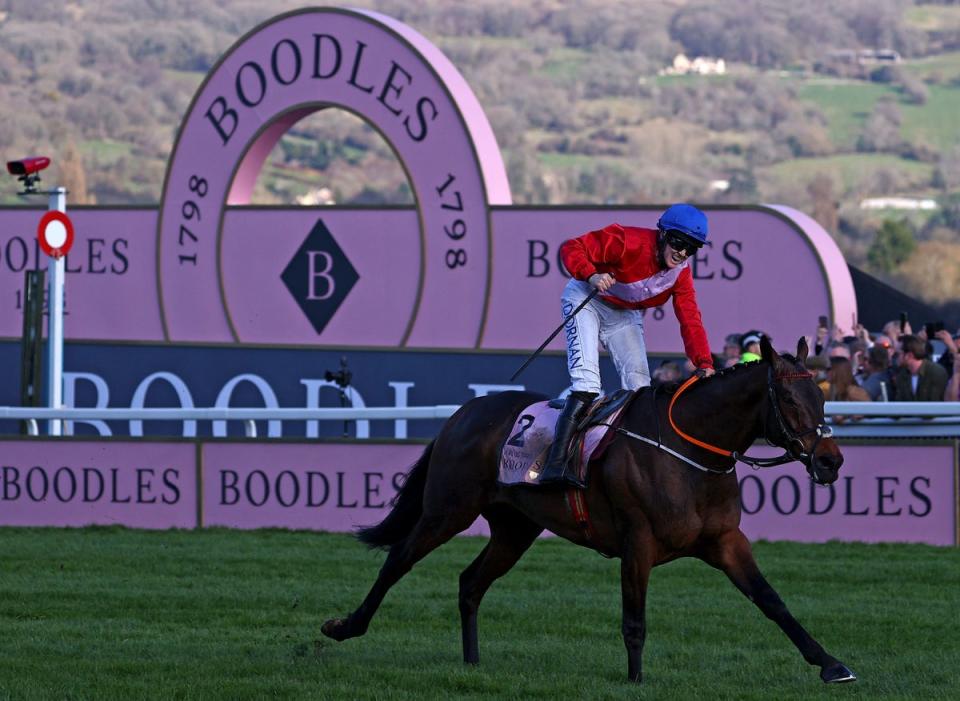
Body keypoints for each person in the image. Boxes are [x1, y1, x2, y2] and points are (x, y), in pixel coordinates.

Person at [538, 203, 716, 485]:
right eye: (678, 241)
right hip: (586, 297)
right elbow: (571, 248)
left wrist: (704, 362)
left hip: (623, 314)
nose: (682, 252)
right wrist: (591, 274)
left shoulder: (681, 276)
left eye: (691, 247)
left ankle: (637, 470)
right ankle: (555, 465)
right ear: (662, 234)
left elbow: (690, 320)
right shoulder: (626, 240)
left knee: (641, 390)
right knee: (587, 384)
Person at [893, 334, 948, 402]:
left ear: (909, 355)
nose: (894, 357)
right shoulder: (902, 375)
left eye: (897, 354)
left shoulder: (936, 373)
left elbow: (936, 403)